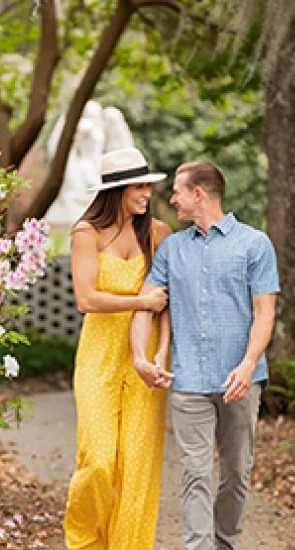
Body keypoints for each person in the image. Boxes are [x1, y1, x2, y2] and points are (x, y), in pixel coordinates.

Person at [131, 161, 279, 550]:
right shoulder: (172, 250)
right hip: (188, 382)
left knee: (236, 473)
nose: (172, 199)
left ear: (199, 194)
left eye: (177, 191)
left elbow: (265, 313)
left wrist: (248, 365)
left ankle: (224, 543)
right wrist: (143, 357)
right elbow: (147, 305)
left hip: (240, 380)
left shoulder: (255, 244)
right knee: (196, 474)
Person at [64, 147, 174, 550]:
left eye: (148, 185)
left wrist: (161, 356)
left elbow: (168, 305)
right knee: (97, 459)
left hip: (146, 358)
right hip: (98, 356)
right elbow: (87, 299)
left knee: (137, 468)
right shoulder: (86, 232)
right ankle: (82, 541)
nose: (147, 193)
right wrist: (139, 302)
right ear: (118, 190)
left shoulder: (159, 234)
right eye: (139, 186)